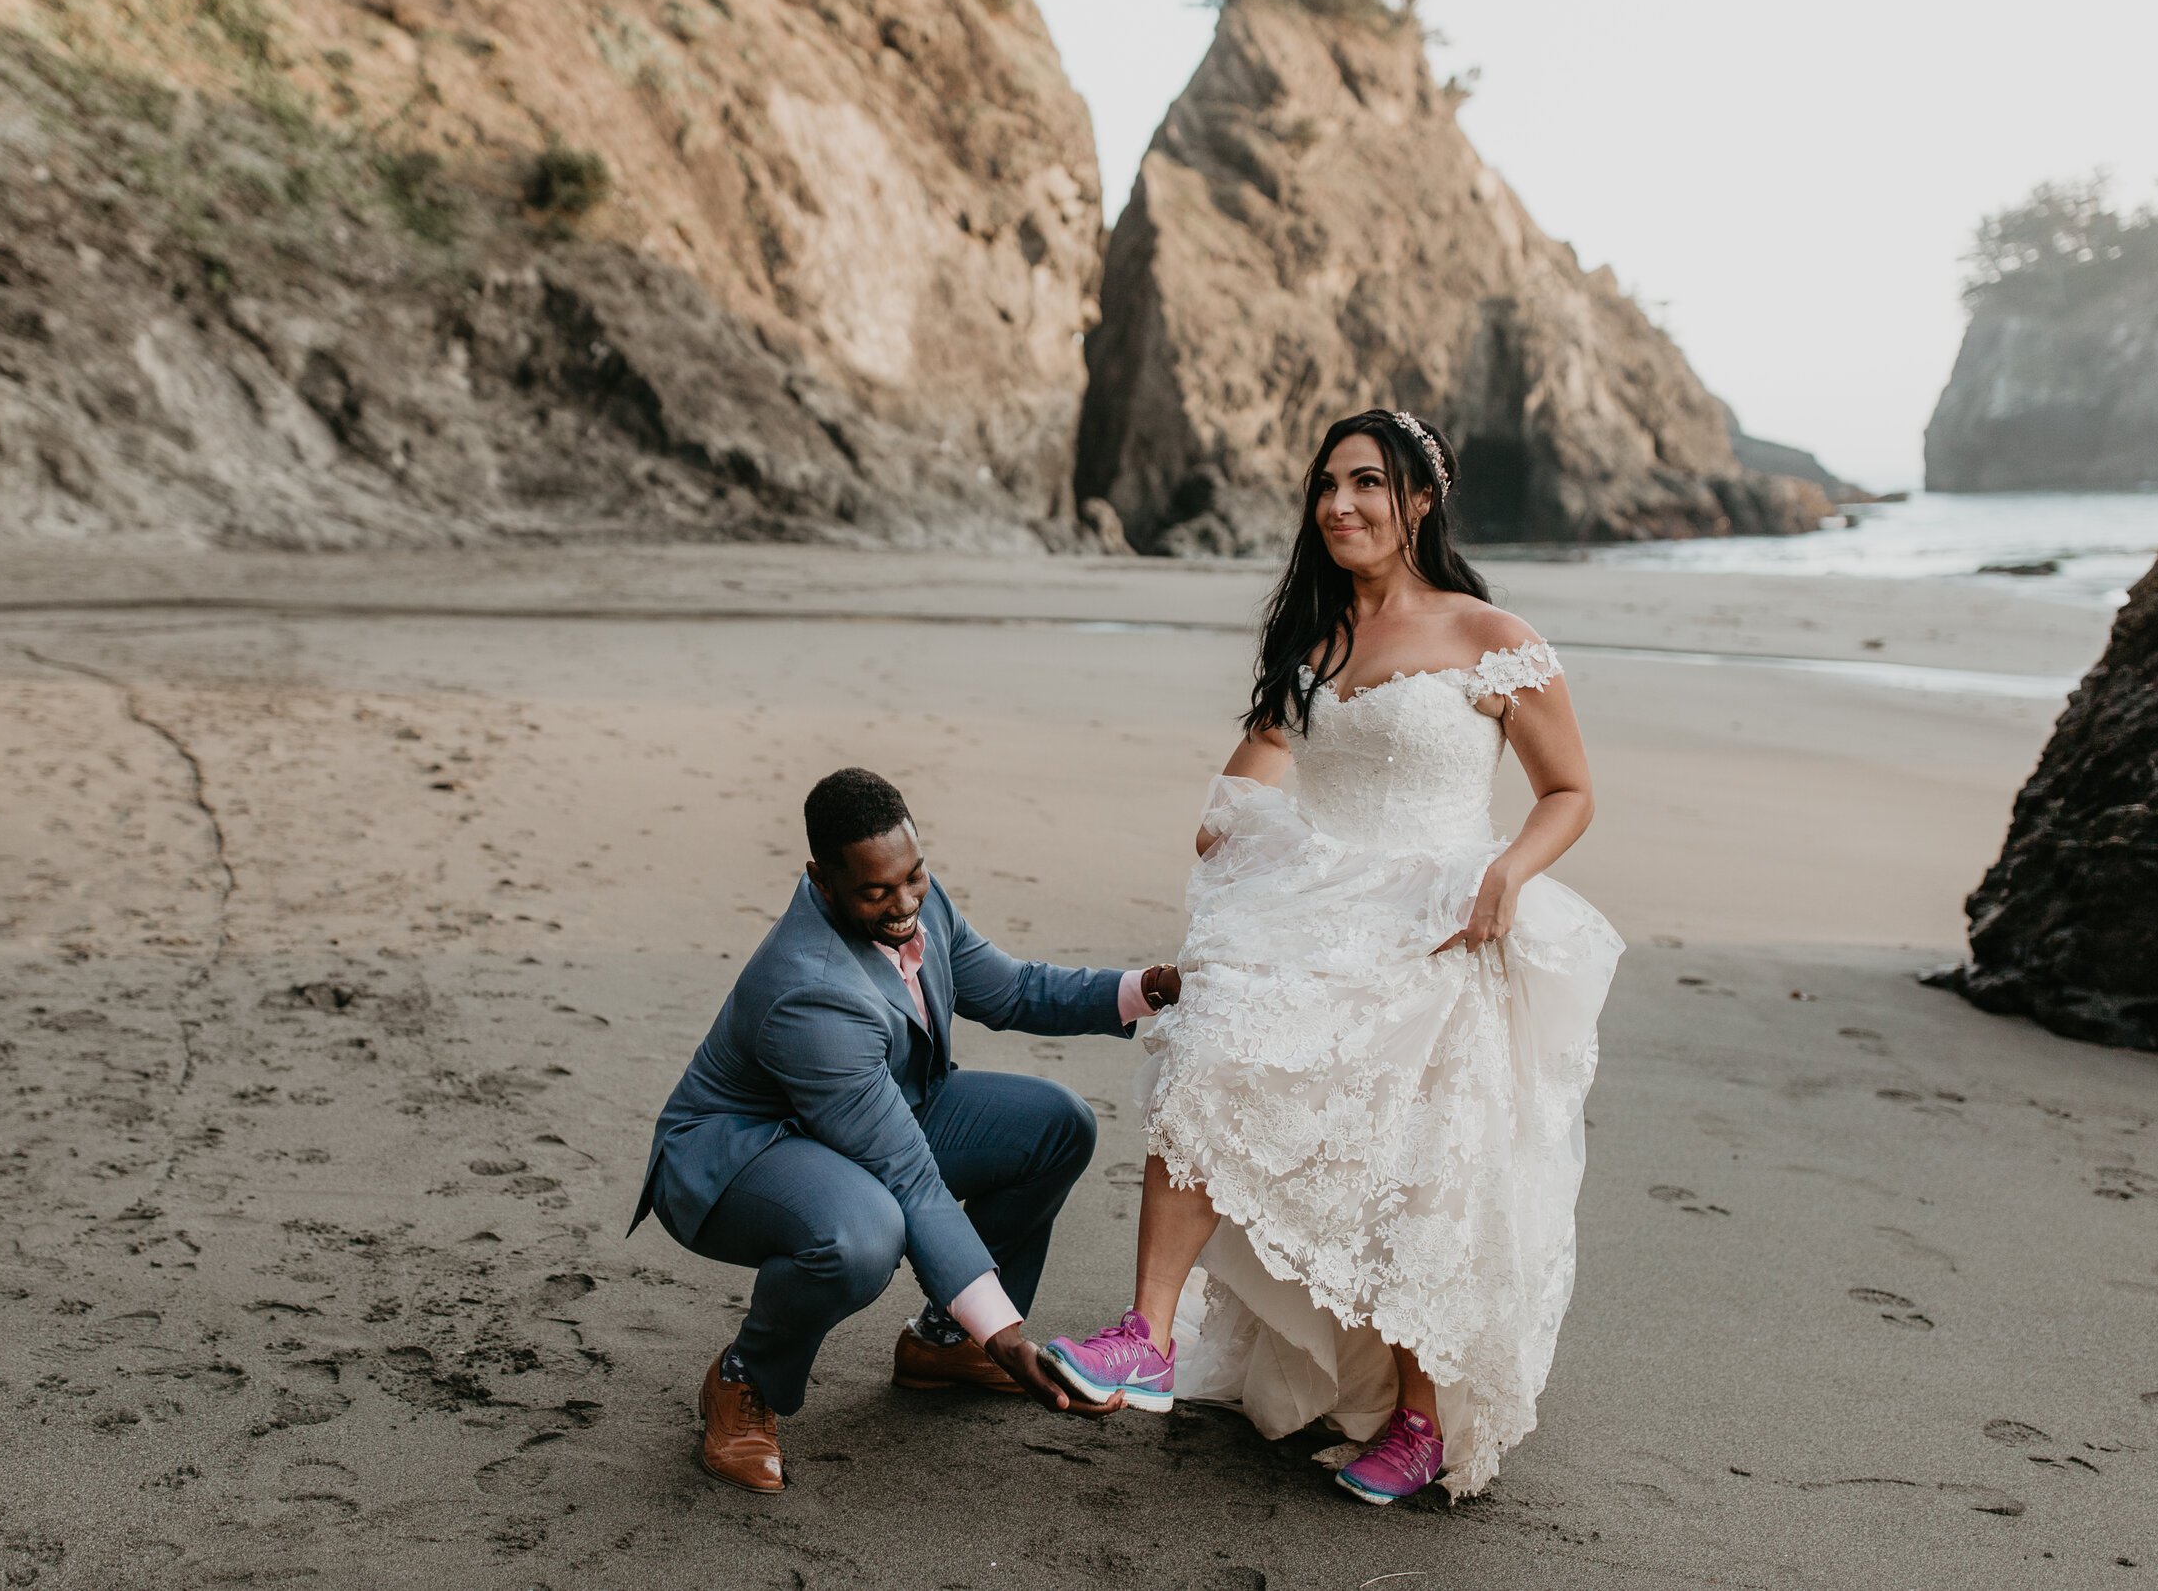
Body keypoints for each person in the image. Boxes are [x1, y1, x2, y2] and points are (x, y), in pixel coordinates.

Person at [1045, 409, 1623, 1504]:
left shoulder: (1488, 635)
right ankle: (1146, 1338)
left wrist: (1506, 872)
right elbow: (1246, 777)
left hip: (1442, 922)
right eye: (1325, 486)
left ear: (1418, 500)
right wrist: (1236, 833)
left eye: (1367, 483)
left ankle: (1418, 1416)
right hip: (1316, 914)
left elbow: (1571, 791)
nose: (1341, 504)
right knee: (1205, 1052)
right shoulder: (1309, 643)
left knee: (1423, 1162)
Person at [631, 767, 1184, 1493]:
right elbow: (910, 1178)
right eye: (876, 891)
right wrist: (1010, 1335)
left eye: (913, 876)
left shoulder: (913, 895)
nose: (904, 904)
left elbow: (1011, 988)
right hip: (740, 1152)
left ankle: (946, 1344)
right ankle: (744, 1377)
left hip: (866, 1114)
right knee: (863, 1235)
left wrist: (1146, 987)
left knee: (1058, 1125)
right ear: (822, 882)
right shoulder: (810, 990)